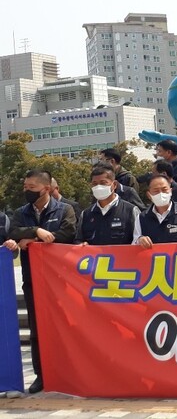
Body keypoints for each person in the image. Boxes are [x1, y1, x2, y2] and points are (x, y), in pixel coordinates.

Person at [3, 169, 76, 394]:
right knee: (36, 331)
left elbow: (67, 235)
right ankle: (40, 375)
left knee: (64, 329)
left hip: (61, 281)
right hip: (32, 279)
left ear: (46, 189)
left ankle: (68, 373)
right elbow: (13, 231)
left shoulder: (65, 210)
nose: (27, 191)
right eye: (25, 187)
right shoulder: (21, 212)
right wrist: (37, 230)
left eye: (32, 188)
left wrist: (32, 239)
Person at [75, 165, 140, 245]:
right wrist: (81, 244)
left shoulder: (131, 211)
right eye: (95, 184)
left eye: (103, 183)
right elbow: (78, 240)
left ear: (114, 184)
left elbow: (140, 239)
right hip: (94, 257)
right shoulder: (86, 214)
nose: (98, 187)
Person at [133, 174, 177, 247]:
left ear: (171, 191)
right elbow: (134, 243)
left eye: (164, 190)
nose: (161, 194)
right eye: (156, 191)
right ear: (149, 195)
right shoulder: (141, 218)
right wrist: (140, 240)